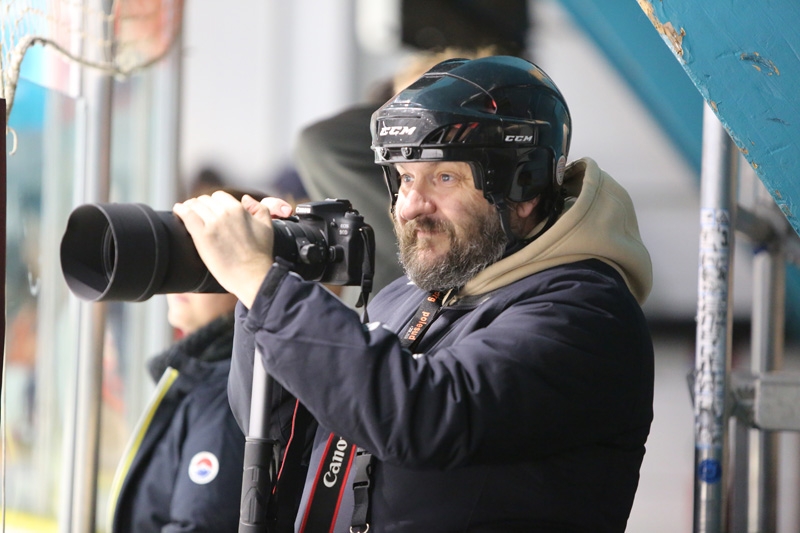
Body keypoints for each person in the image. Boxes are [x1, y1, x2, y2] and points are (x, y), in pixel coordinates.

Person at [174, 56, 655, 532]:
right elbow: (280, 428)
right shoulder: (409, 295)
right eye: (404, 178)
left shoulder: (586, 313)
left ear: (523, 186)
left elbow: (424, 414)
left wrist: (265, 286)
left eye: (443, 177)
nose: (409, 207)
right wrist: (266, 283)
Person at [107, 187, 260, 533]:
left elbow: (200, 525)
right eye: (179, 250)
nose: (181, 273)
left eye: (203, 256)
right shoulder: (205, 375)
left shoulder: (228, 392)